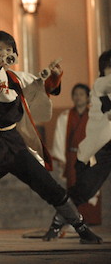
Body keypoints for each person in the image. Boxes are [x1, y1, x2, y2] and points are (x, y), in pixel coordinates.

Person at [0, 30, 101, 245]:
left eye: (9, 50)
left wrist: (54, 75)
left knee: (49, 186)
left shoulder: (17, 77)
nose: (4, 54)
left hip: (13, 144)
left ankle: (81, 228)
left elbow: (43, 86)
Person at [42, 49, 111, 241]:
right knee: (83, 192)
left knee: (83, 192)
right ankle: (58, 224)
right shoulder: (100, 86)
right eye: (110, 68)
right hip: (97, 152)